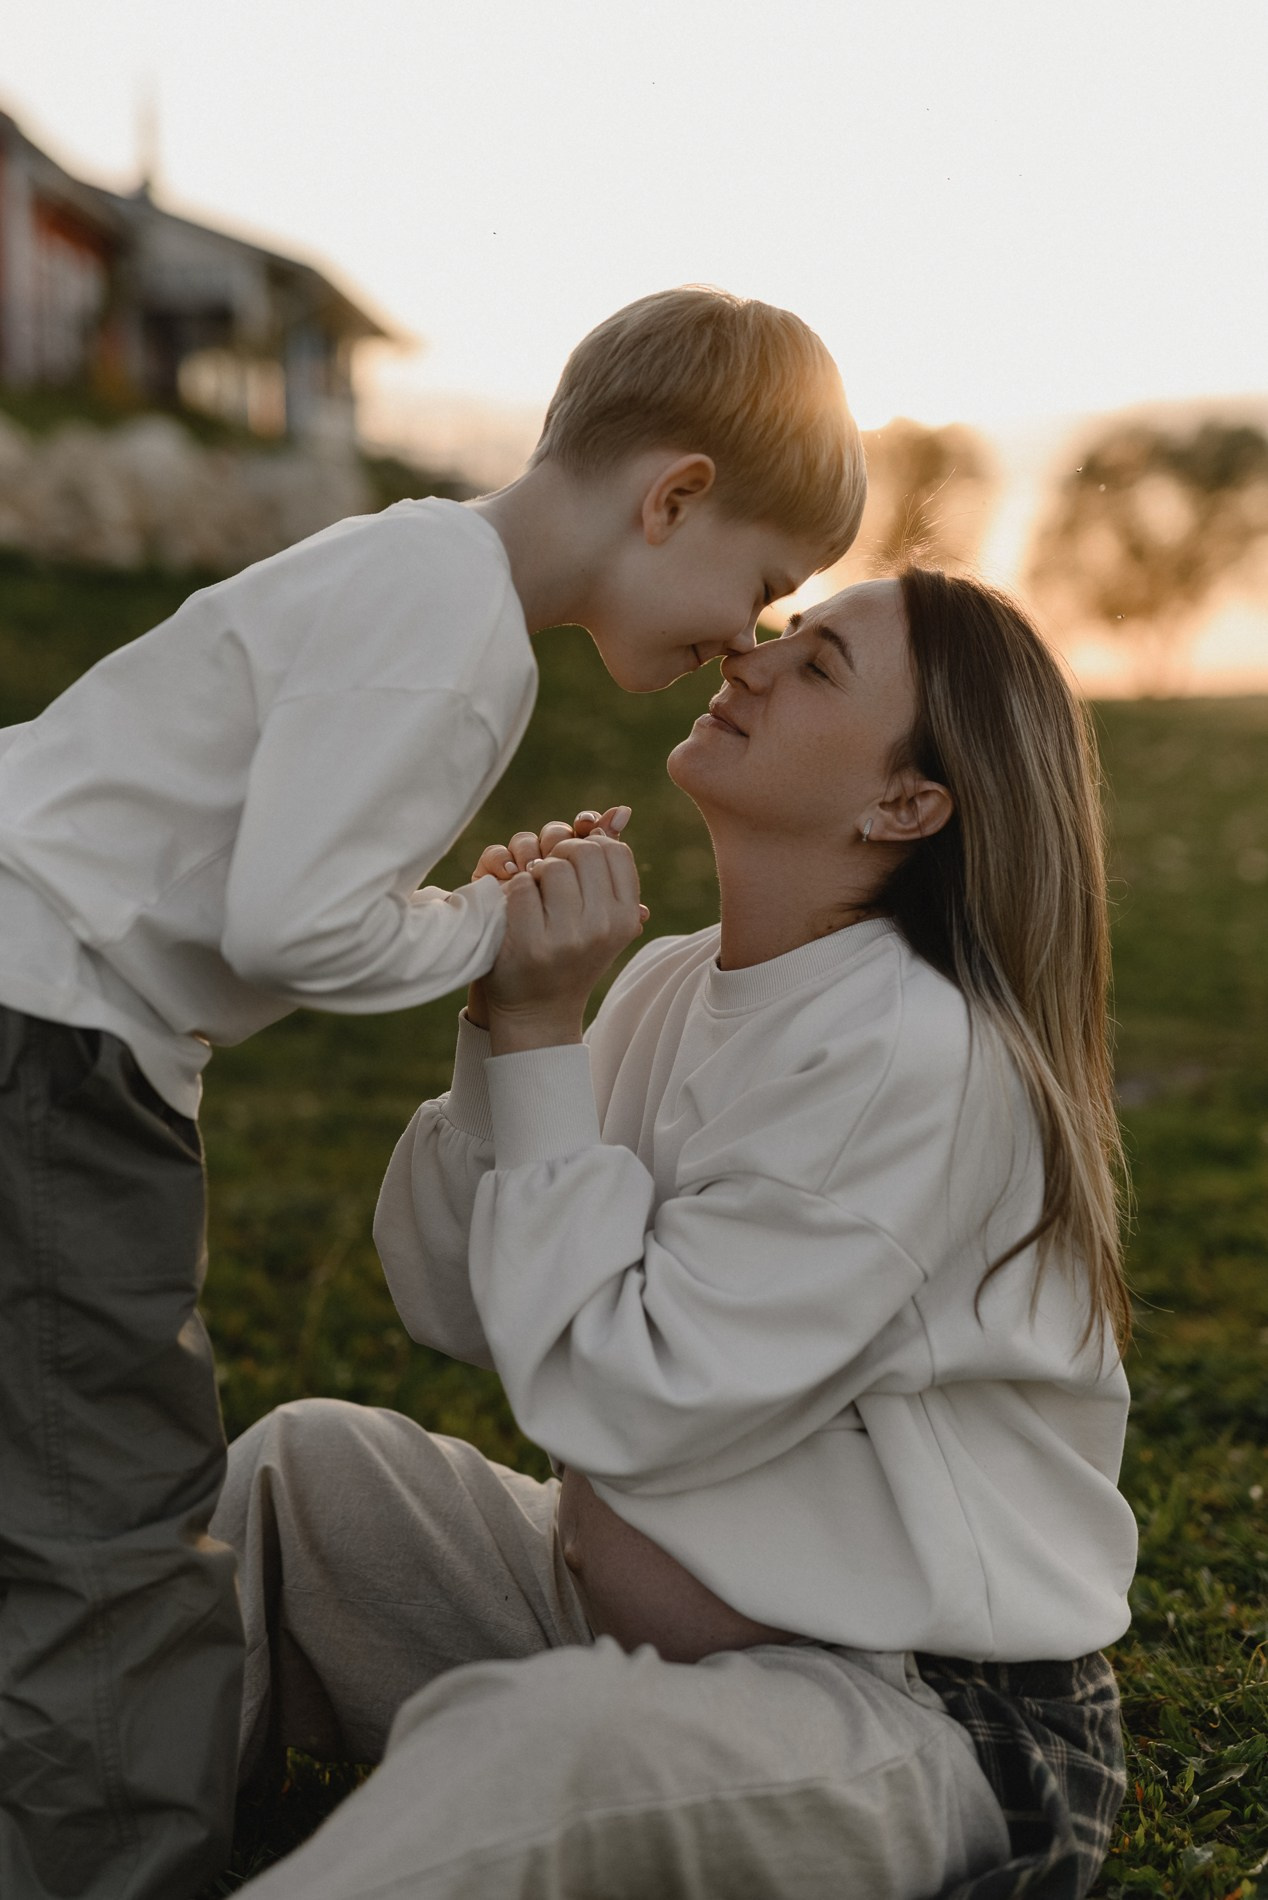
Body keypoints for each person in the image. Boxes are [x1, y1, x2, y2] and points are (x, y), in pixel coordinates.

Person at [0, 288, 866, 1900]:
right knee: (110, 1509)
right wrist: (495, 931)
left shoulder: (409, 560)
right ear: (672, 495)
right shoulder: (462, 642)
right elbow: (289, 922)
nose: (748, 634)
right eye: (762, 581)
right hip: (51, 1037)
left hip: (33, 979)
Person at [216, 568, 1139, 1900]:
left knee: (545, 1753)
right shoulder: (665, 982)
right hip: (628, 1629)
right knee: (304, 1476)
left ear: (906, 803)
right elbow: (455, 1296)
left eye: (816, 666)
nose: (747, 663)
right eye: (780, 636)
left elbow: (622, 1397)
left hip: (913, 1719)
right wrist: (501, 1023)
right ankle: (70, 1828)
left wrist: (542, 1035)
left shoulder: (913, 1057)